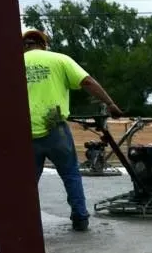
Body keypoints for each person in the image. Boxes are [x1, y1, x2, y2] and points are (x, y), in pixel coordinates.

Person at [23, 28, 122, 231]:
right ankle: (80, 218)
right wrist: (110, 104)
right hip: (55, 126)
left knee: (27, 181)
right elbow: (87, 81)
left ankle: (24, 221)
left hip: (25, 130)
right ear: (43, 44)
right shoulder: (60, 60)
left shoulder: (13, 63)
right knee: (70, 174)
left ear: (25, 45)